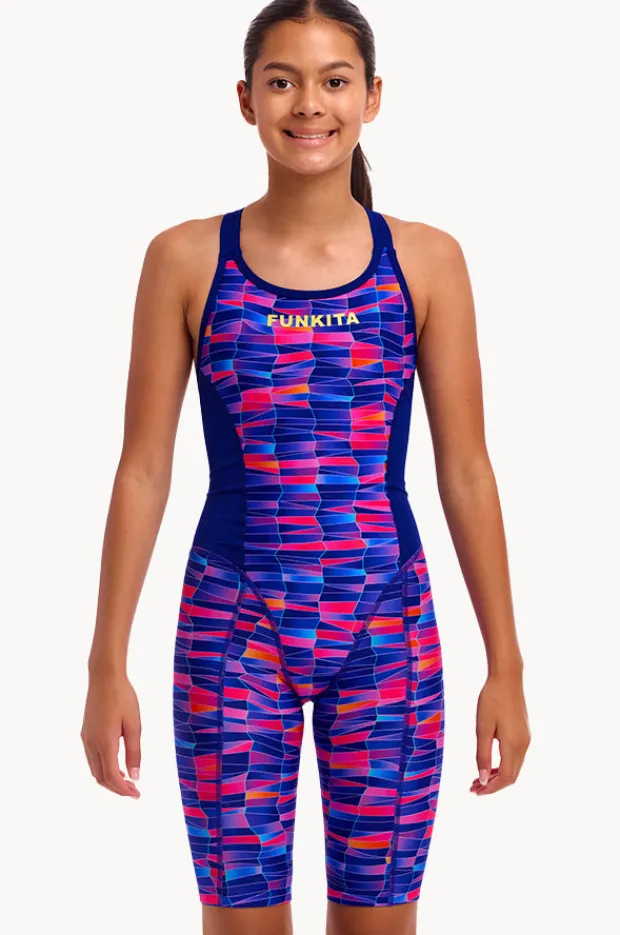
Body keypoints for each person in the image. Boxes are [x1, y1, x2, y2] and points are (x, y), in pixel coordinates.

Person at [81, 1, 531, 933]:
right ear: (246, 100)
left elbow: (467, 471)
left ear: (373, 96)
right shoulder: (186, 258)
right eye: (282, 81)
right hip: (232, 628)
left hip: (387, 629)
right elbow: (142, 470)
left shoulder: (425, 261)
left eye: (334, 81)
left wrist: (508, 666)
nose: (309, 104)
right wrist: (104, 664)